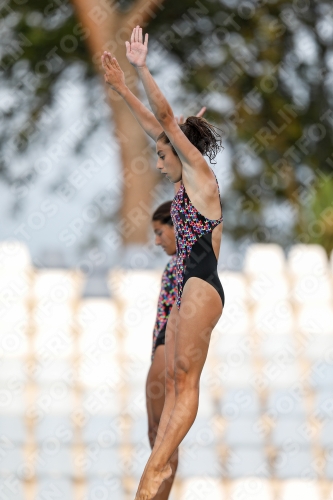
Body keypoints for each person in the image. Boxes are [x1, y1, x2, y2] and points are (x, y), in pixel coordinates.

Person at [101, 27, 224, 500]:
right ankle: (160, 469)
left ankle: (155, 469)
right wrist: (123, 90)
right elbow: (162, 129)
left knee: (183, 378)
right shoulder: (180, 179)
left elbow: (168, 122)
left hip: (203, 280)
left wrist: (141, 68)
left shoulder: (200, 175)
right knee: (170, 378)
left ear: (181, 151)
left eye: (161, 154)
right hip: (187, 281)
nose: (156, 161)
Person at [146, 201, 178, 500]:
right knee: (157, 437)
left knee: (164, 443)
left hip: (168, 352)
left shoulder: (189, 262)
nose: (157, 241)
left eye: (160, 232)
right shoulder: (174, 265)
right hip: (160, 352)